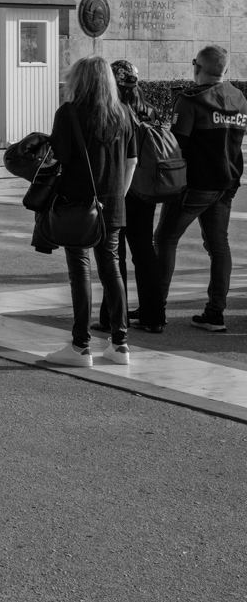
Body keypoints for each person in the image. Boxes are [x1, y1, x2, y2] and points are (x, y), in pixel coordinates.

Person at [44, 56, 138, 367]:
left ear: (79, 80)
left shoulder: (69, 113)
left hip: (78, 204)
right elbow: (132, 161)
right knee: (112, 270)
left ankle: (80, 346)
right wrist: (117, 196)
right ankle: (120, 344)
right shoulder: (123, 113)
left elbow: (57, 159)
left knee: (79, 269)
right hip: (112, 204)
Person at [154, 44, 247, 332]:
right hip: (227, 183)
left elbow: (175, 145)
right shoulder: (239, 98)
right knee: (219, 246)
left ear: (199, 68)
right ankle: (215, 313)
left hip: (195, 184)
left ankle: (154, 307)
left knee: (166, 239)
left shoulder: (190, 100)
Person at [93, 60, 167, 334]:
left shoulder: (113, 112)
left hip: (120, 187)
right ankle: (153, 315)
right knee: (144, 250)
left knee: (114, 254)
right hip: (146, 189)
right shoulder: (149, 110)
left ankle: (112, 316)